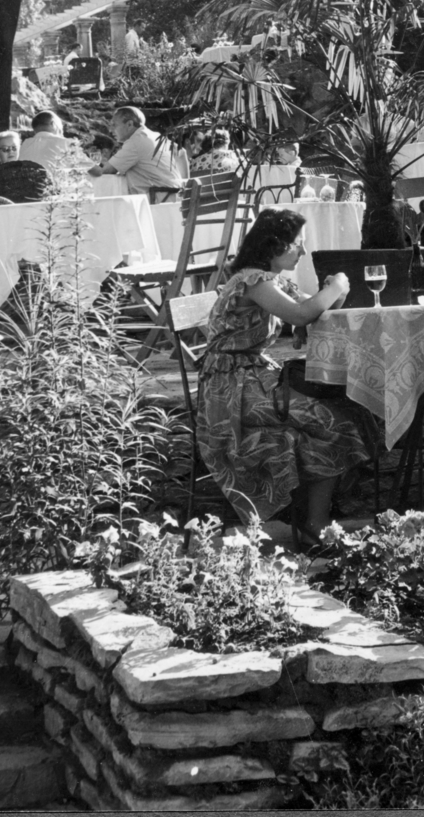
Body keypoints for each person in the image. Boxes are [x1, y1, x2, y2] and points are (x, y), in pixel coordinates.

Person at [195, 208, 366, 540]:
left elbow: (318, 307)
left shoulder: (271, 281)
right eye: (297, 244)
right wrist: (339, 282)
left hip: (250, 376)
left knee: (343, 411)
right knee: (334, 420)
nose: (302, 251)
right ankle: (313, 521)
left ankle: (309, 516)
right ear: (273, 246)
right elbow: (302, 314)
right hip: (229, 389)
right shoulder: (252, 280)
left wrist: (333, 292)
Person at [88, 105, 183, 198]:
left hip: (158, 201)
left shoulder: (136, 142)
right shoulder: (153, 135)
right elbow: (182, 153)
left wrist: (79, 159)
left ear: (129, 124)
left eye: (114, 125)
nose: (110, 129)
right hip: (174, 197)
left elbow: (102, 171)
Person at [19, 111, 77, 175]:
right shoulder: (67, 143)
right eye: (60, 126)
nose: (61, 131)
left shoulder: (25, 144)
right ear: (53, 124)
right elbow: (87, 167)